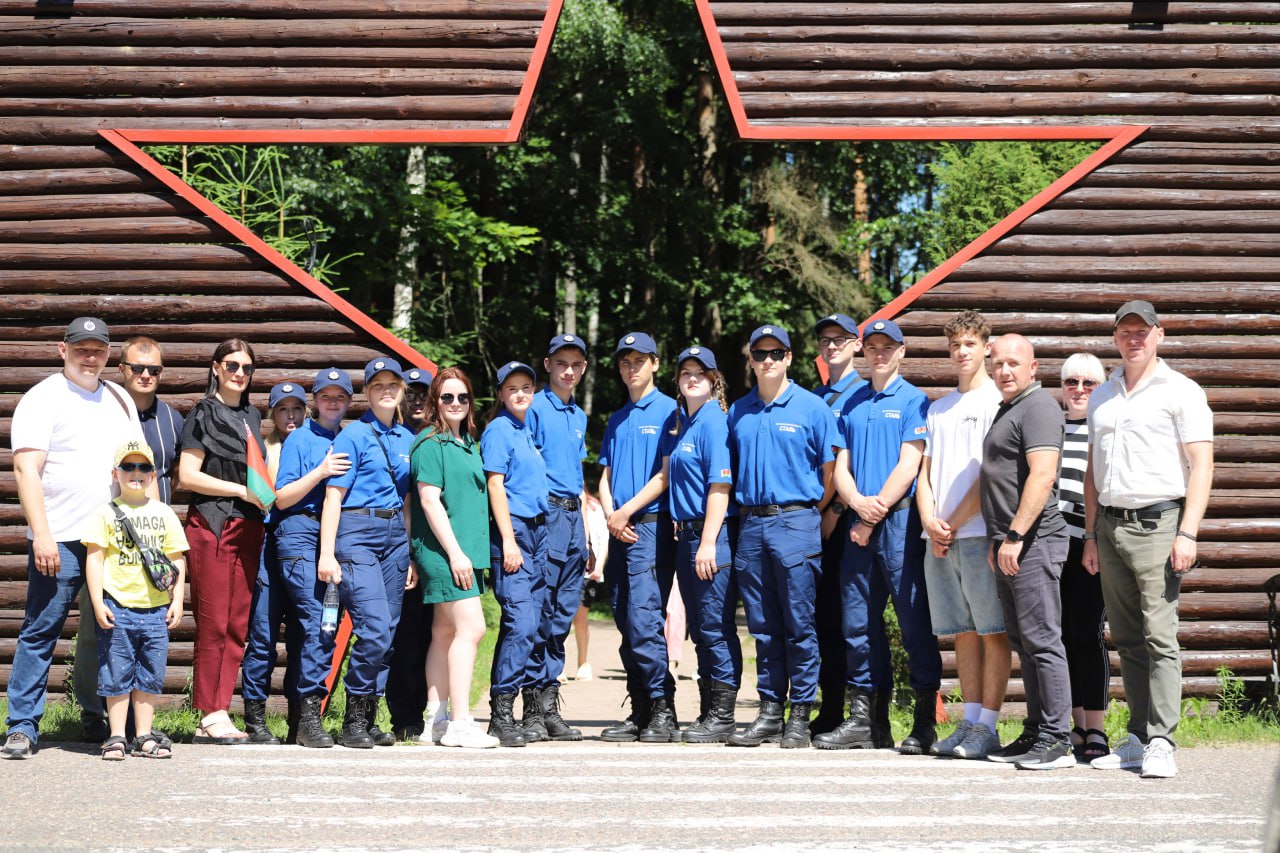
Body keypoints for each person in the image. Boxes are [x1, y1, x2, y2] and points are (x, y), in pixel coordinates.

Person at [3, 317, 144, 760]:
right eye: (81, 348)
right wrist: (41, 535)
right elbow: (26, 469)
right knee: (41, 629)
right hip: (60, 538)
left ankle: (104, 722)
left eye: (98, 349)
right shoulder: (42, 398)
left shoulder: (119, 398)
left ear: (107, 354)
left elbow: (139, 465)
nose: (90, 356)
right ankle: (23, 726)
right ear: (62, 349)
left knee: (110, 632)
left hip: (113, 539)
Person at [1083, 300, 1213, 779]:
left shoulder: (1181, 391)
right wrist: (1092, 533)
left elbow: (1201, 464)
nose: (1133, 338)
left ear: (1159, 334)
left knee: (1159, 633)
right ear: (1115, 337)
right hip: (1111, 526)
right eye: (1125, 331)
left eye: (1142, 330)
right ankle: (1137, 736)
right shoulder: (1103, 395)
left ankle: (1162, 739)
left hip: (1160, 524)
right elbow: (1094, 472)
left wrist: (1188, 531)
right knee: (1128, 637)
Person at [815, 318, 941, 754]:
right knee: (857, 625)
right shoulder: (852, 405)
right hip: (858, 525)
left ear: (902, 352)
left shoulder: (914, 401)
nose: (880, 353)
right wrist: (854, 505)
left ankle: (924, 724)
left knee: (912, 623)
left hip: (897, 525)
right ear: (863, 352)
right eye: (873, 347)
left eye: (888, 347)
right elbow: (840, 468)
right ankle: (869, 723)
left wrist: (872, 514)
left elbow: (910, 464)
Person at [727, 324, 840, 749]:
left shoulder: (813, 408)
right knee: (762, 625)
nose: (768, 360)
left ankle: (800, 714)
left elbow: (830, 474)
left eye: (777, 353)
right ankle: (770, 710)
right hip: (752, 524)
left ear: (790, 357)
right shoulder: (738, 411)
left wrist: (815, 512)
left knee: (798, 623)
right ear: (751, 360)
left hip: (796, 521)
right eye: (760, 354)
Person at [915, 310, 1009, 760]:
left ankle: (988, 725)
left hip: (977, 532)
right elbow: (925, 474)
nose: (961, 352)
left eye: (969, 344)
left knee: (992, 629)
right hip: (940, 537)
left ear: (985, 348)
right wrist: (930, 521)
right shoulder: (938, 407)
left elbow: (990, 475)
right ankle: (969, 721)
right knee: (962, 632)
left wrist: (948, 521)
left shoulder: (996, 402)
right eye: (954, 345)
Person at [980, 334, 1073, 770]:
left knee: (1042, 640)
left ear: (1033, 368)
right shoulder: (1009, 407)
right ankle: (1037, 731)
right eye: (997, 363)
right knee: (1024, 641)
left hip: (1034, 541)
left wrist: (1015, 535)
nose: (1005, 371)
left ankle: (1058, 739)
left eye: (1014, 363)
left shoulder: (1038, 407)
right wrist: (999, 540)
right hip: (1010, 543)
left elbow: (1043, 475)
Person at [317, 357, 416, 749]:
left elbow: (408, 501)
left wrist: (408, 552)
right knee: (374, 626)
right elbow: (333, 498)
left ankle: (370, 717)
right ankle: (351, 719)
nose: (386, 391)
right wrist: (327, 554)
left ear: (401, 391)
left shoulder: (409, 440)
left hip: (395, 536)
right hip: (357, 532)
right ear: (368, 393)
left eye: (393, 385)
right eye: (378, 386)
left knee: (388, 633)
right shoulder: (353, 436)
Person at [178, 338, 267, 744]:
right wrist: (239, 490)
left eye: (246, 368)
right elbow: (187, 476)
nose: (239, 373)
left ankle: (218, 711)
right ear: (215, 367)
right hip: (212, 524)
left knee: (236, 624)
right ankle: (211, 712)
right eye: (232, 365)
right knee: (213, 623)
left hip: (249, 527)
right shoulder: (201, 413)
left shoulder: (252, 414)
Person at [409, 367, 499, 749]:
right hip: (446, 553)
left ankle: (437, 719)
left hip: (464, 553)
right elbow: (428, 500)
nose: (456, 404)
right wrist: (457, 553)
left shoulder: (468, 443)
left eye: (463, 397)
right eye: (447, 397)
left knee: (444, 633)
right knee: (472, 629)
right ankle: (462, 721)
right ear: (435, 401)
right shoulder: (431, 444)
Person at [83, 440, 188, 760]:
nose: (136, 473)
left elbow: (177, 559)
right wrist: (98, 601)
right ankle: (116, 736)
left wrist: (178, 599)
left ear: (154, 475)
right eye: (128, 467)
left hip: (155, 609)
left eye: (143, 467)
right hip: (118, 607)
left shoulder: (164, 513)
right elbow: (95, 559)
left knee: (149, 675)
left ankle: (143, 735)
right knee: (116, 673)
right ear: (116, 473)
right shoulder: (104, 514)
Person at [601, 332, 680, 743]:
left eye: (639, 360)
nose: (631, 368)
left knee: (644, 620)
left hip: (649, 527)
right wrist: (610, 514)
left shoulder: (672, 411)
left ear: (655, 363)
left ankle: (663, 709)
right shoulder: (617, 417)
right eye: (624, 362)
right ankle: (641, 709)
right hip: (619, 527)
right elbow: (605, 476)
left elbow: (666, 475)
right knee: (624, 619)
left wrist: (625, 511)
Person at [270, 368, 354, 748]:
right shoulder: (300, 439)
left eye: (340, 396)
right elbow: (282, 497)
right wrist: (321, 472)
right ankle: (307, 718)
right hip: (300, 533)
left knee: (326, 626)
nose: (332, 402)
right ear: (314, 402)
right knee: (318, 622)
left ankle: (303, 720)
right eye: (325, 396)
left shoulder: (353, 438)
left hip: (339, 537)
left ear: (349, 401)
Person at [664, 347, 741, 742]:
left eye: (700, 372)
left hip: (709, 535)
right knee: (700, 628)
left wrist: (708, 541)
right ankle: (709, 711)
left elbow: (720, 485)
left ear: (714, 379)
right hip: (685, 536)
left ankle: (723, 716)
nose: (692, 378)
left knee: (715, 625)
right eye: (685, 372)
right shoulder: (686, 423)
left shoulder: (713, 422)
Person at [524, 334, 592, 740]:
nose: (569, 371)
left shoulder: (578, 415)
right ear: (548, 364)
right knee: (539, 610)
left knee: (562, 615)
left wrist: (586, 532)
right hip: (545, 515)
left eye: (577, 365)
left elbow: (576, 475)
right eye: (562, 363)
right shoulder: (534, 407)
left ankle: (550, 704)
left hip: (573, 516)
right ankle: (531, 707)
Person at [482, 361, 550, 747]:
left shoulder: (527, 430)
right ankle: (501, 714)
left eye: (527, 387)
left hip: (539, 531)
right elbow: (496, 486)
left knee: (534, 625)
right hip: (516, 534)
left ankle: (524, 712)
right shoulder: (499, 431)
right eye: (513, 388)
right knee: (520, 624)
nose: (521, 394)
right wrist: (508, 540)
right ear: (501, 394)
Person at [240, 381, 309, 745]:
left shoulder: (315, 444)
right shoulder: (263, 450)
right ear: (273, 415)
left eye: (297, 408)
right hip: (268, 545)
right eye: (283, 409)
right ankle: (256, 718)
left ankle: (300, 716)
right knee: (263, 635)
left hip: (305, 548)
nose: (291, 416)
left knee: (302, 633)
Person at [810, 313, 867, 737]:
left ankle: (864, 716)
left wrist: (831, 511)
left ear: (856, 344)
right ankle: (829, 710)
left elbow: (856, 464)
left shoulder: (864, 394)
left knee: (855, 621)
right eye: (826, 339)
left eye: (841, 339)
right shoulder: (815, 397)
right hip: (813, 523)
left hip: (849, 522)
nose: (832, 346)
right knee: (824, 619)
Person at [1056, 353, 1110, 762]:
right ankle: (1073, 726)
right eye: (1071, 382)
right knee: (1057, 636)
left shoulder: (1105, 428)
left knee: (1087, 634)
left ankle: (1097, 728)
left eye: (1088, 383)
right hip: (1049, 545)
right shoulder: (1050, 428)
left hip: (1087, 544)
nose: (1078, 390)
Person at [386, 365, 435, 742]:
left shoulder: (441, 437)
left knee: (435, 635)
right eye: (412, 392)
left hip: (439, 551)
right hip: (404, 553)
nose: (417, 400)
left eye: (424, 393)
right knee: (404, 636)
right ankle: (404, 715)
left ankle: (435, 711)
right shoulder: (394, 437)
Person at [118, 336, 184, 505]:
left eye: (153, 370)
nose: (146, 375)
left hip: (156, 524)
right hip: (111, 524)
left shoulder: (173, 420)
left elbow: (175, 473)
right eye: (137, 368)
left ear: (161, 372)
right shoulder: (106, 413)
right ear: (121, 369)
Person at [571, 491, 609, 681]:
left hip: (587, 570)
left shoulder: (595, 508)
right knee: (556, 615)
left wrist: (599, 566)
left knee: (580, 617)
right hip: (566, 566)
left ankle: (583, 662)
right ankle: (557, 665)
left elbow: (604, 538)